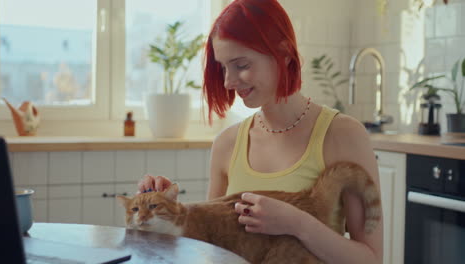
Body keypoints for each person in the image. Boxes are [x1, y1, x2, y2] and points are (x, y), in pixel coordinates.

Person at [138, 0, 383, 263]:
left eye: (241, 65)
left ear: (284, 52)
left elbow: (371, 258)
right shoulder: (227, 144)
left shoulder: (343, 135)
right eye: (223, 67)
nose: (229, 82)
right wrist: (165, 210)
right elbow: (214, 249)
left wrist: (297, 223)